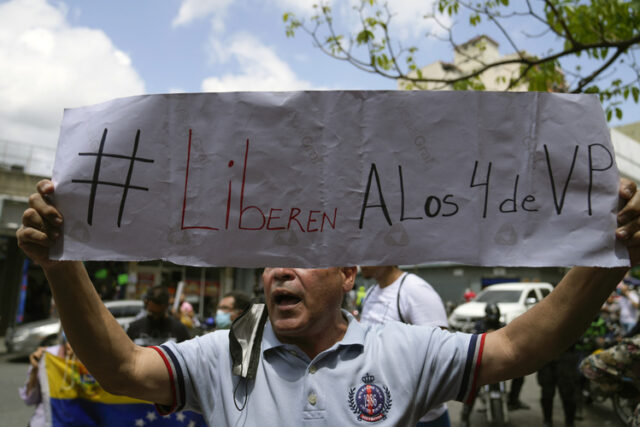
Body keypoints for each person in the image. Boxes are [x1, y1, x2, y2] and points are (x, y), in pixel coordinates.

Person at [15, 178, 640, 425]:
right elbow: (121, 369)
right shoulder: (221, 355)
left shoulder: (405, 350)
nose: (279, 270)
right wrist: (60, 265)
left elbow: (520, 345)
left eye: (302, 255)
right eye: (270, 259)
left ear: (348, 273)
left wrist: (610, 257)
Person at [360, 265, 450, 427]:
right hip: (383, 413)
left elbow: (440, 355)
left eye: (367, 254)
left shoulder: (414, 289)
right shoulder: (370, 293)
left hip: (422, 418)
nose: (361, 262)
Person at [19, 336, 74, 427]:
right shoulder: (48, 356)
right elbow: (29, 399)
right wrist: (35, 370)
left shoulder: (94, 360)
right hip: (44, 422)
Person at [126, 284, 191, 346]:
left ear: (166, 306)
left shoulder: (180, 330)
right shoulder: (134, 328)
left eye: (158, 313)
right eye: (152, 312)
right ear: (147, 304)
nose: (155, 317)